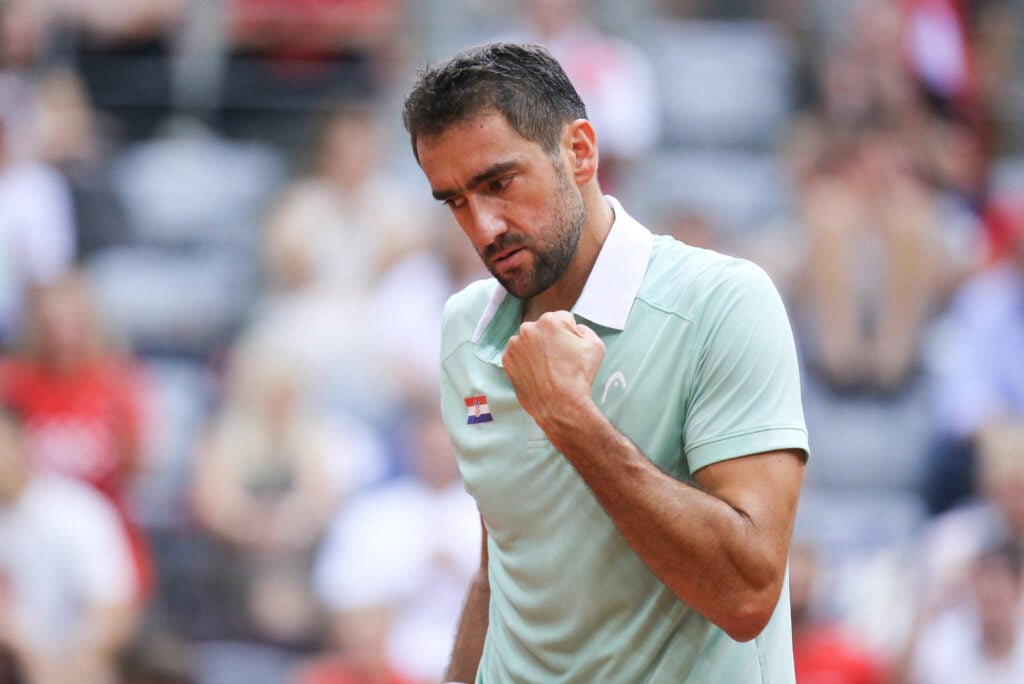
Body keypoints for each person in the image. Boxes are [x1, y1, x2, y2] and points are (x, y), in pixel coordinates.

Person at [401, 42, 809, 682]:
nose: (483, 227)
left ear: (580, 152)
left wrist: (571, 418)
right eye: (454, 201)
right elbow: (501, 566)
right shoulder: (463, 330)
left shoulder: (723, 301)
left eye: (499, 184)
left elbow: (746, 594)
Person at [0, 406, 139, 684]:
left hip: (67, 658)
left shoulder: (75, 511)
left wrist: (75, 660)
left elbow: (113, 607)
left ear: (20, 445)